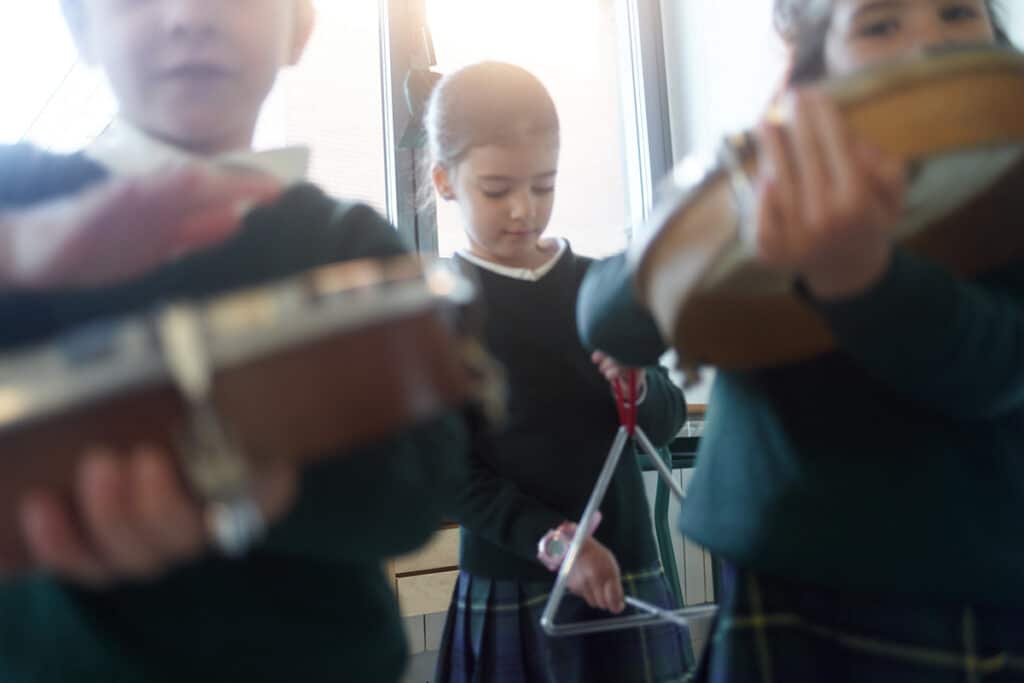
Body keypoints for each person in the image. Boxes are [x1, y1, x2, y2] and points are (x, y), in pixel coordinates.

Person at [0, 1, 469, 681]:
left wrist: (269, 487)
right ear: (79, 26)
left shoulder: (352, 248)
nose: (189, 13)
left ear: (300, 26)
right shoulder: (17, 205)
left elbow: (425, 481)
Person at [577, 1, 1024, 680]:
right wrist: (744, 173)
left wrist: (864, 279)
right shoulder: (768, 184)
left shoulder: (1011, 173)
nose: (927, 43)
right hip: (772, 582)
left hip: (953, 594)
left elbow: (996, 363)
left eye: (957, 12)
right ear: (814, 61)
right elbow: (609, 317)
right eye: (880, 26)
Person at [425, 61, 694, 683]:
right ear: (444, 180)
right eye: (496, 190)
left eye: (543, 186)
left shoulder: (602, 288)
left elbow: (668, 417)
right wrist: (555, 543)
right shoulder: (438, 313)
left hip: (628, 578)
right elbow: (446, 472)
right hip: (515, 581)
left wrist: (639, 385)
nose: (524, 209)